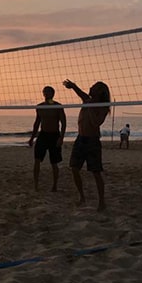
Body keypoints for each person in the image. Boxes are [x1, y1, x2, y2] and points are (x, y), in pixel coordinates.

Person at [63, 79, 110, 211]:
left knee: (96, 172)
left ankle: (102, 202)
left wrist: (89, 106)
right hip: (80, 139)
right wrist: (73, 86)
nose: (91, 87)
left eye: (94, 87)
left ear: (100, 92)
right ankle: (81, 197)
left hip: (92, 141)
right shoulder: (87, 100)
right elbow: (80, 93)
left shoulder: (103, 106)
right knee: (74, 168)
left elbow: (96, 123)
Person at [28, 86, 66, 192]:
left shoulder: (58, 106)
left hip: (54, 136)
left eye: (49, 92)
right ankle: (36, 185)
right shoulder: (40, 107)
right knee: (37, 160)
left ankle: (55, 185)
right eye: (45, 92)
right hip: (43, 135)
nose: (46, 94)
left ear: (53, 94)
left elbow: (63, 123)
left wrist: (61, 138)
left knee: (54, 163)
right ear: (43, 94)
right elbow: (36, 123)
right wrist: (32, 138)